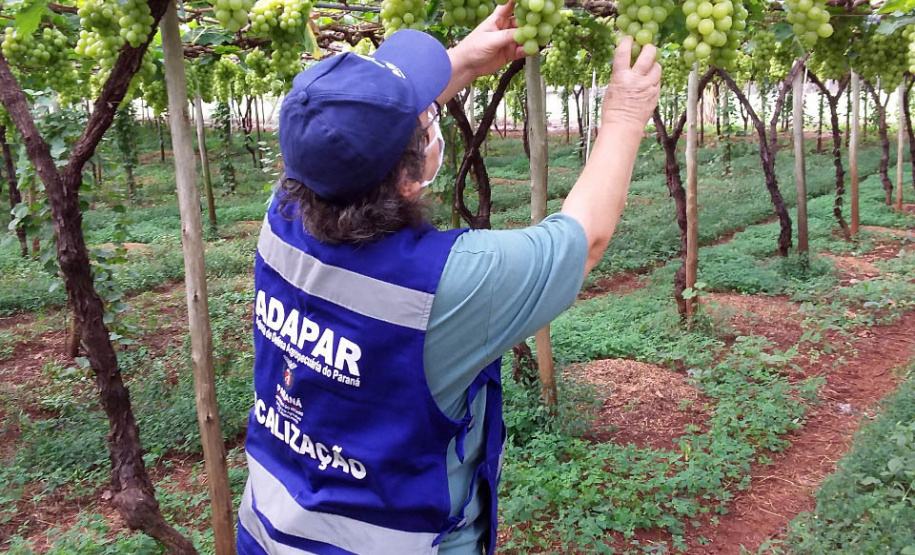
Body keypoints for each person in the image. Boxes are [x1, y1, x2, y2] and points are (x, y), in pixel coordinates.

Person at [236, 2, 661, 552]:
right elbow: (587, 238)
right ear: (412, 180)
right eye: (424, 119)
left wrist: (462, 61)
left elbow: (352, 140)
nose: (431, 118)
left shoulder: (285, 215)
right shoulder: (446, 287)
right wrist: (625, 115)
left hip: (269, 532)